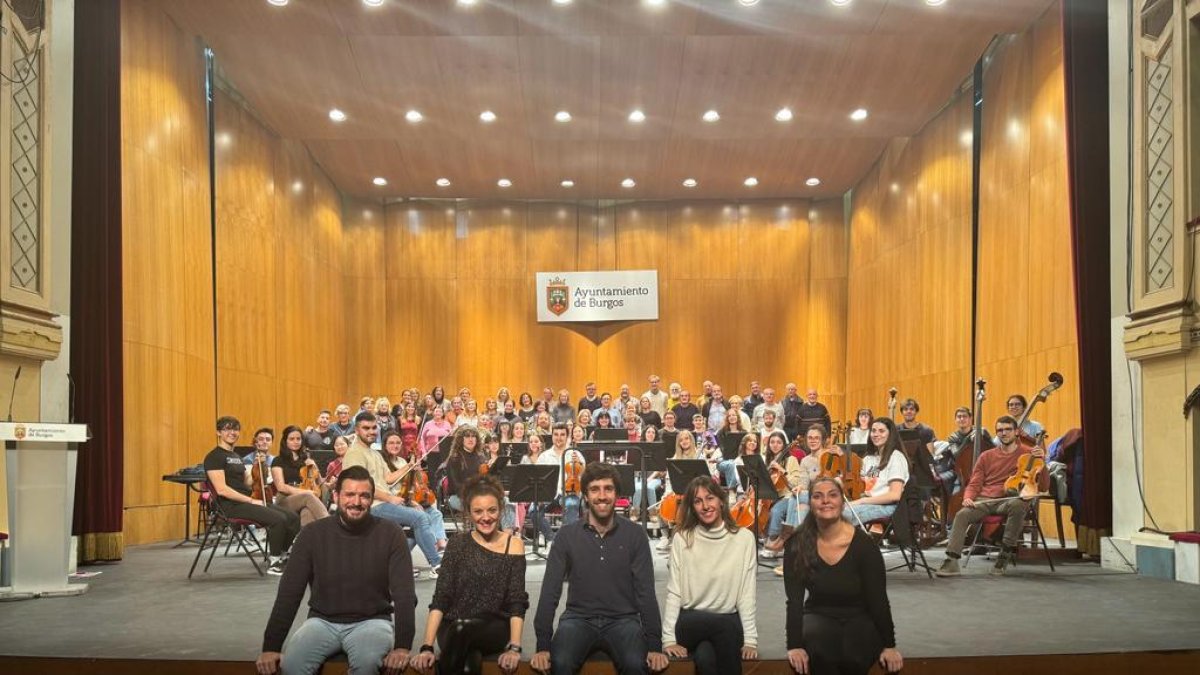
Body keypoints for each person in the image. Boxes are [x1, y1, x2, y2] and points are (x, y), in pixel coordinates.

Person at [255, 466, 417, 675]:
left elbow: (404, 594)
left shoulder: (391, 533)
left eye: (364, 496)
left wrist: (403, 646)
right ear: (336, 495)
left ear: (371, 499)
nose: (356, 502)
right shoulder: (312, 534)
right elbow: (289, 593)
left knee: (367, 666)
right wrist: (271, 646)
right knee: (292, 666)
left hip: (373, 622)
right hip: (321, 621)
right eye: (349, 494)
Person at [532, 463, 667, 675]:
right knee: (561, 662)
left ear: (617, 494)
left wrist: (654, 644)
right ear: (585, 495)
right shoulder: (566, 535)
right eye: (595, 489)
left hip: (624, 620)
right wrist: (542, 645)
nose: (602, 496)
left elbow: (646, 592)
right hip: (578, 618)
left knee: (636, 664)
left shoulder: (635, 534)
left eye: (608, 489)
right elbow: (550, 591)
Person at [784, 476, 903, 675]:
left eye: (832, 495)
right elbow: (794, 601)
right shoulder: (797, 544)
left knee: (853, 654)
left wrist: (890, 645)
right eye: (817, 496)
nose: (825, 501)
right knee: (820, 650)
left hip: (860, 615)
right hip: (819, 613)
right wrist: (793, 645)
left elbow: (878, 599)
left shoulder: (865, 546)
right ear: (810, 503)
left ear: (842, 501)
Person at [411, 475, 528, 675]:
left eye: (492, 510)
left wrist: (515, 648)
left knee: (462, 629)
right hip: (451, 625)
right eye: (478, 511)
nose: (486, 517)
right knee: (467, 667)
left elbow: (516, 601)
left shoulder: (514, 544)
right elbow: (442, 597)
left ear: (500, 509)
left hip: (494, 627)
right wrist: (426, 647)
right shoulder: (457, 543)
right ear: (469, 513)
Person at [661, 476, 758, 674]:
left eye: (710, 498)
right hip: (690, 622)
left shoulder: (744, 539)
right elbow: (674, 592)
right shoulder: (683, 538)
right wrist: (668, 639)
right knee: (724, 627)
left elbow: (747, 593)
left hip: (727, 621)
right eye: (698, 501)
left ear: (721, 500)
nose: (705, 506)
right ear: (692, 507)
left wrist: (750, 640)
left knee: (706, 657)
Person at [937, 415, 1048, 577]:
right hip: (985, 499)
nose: (1004, 433)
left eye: (1008, 429)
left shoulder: (1029, 454)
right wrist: (968, 497)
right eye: (1000, 430)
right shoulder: (986, 456)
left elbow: (1044, 486)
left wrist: (1042, 461)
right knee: (962, 515)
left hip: (1010, 499)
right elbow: (975, 483)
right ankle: (952, 561)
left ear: (1016, 432)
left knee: (1018, 506)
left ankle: (1004, 554)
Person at [343, 412, 444, 578]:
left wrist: (409, 465)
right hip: (372, 505)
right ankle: (436, 564)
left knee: (418, 522)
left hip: (383, 502)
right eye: (366, 428)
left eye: (374, 428)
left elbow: (388, 479)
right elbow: (360, 487)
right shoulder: (355, 453)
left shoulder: (374, 453)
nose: (371, 431)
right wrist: (390, 498)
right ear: (357, 430)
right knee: (420, 518)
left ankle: (396, 564)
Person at [204, 416, 300, 575]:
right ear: (218, 432)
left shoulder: (236, 457)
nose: (232, 432)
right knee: (279, 520)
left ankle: (282, 555)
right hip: (230, 506)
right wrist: (251, 500)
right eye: (227, 429)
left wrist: (258, 466)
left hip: (245, 501)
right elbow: (222, 490)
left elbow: (246, 483)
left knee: (293, 517)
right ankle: (274, 562)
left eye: (235, 429)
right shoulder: (214, 457)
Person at [845, 418, 909, 526]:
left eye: (881, 431)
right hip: (866, 501)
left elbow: (894, 495)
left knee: (840, 514)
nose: (876, 434)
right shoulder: (869, 458)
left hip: (886, 506)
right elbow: (859, 484)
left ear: (890, 435)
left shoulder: (896, 457)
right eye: (873, 431)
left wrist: (862, 501)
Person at [271, 425, 331, 526]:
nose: (296, 441)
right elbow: (281, 487)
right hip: (285, 499)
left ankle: (304, 540)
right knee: (308, 497)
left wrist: (315, 467)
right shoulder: (278, 460)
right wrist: (305, 492)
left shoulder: (306, 460)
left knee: (307, 512)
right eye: (292, 439)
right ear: (285, 441)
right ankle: (331, 527)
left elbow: (320, 483)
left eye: (298, 439)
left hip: (307, 498)